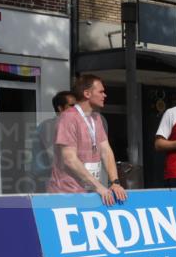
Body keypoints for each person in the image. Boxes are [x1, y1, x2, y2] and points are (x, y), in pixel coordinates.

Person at [47, 74, 127, 206]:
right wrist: (98, 186)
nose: (105, 95)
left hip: (90, 192)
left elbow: (106, 151)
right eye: (101, 91)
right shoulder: (68, 118)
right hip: (67, 195)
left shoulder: (97, 118)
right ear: (87, 93)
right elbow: (69, 159)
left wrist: (115, 182)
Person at [34, 90, 76, 190]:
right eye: (72, 105)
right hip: (50, 181)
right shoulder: (50, 126)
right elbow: (54, 156)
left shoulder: (68, 126)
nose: (76, 110)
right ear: (60, 108)